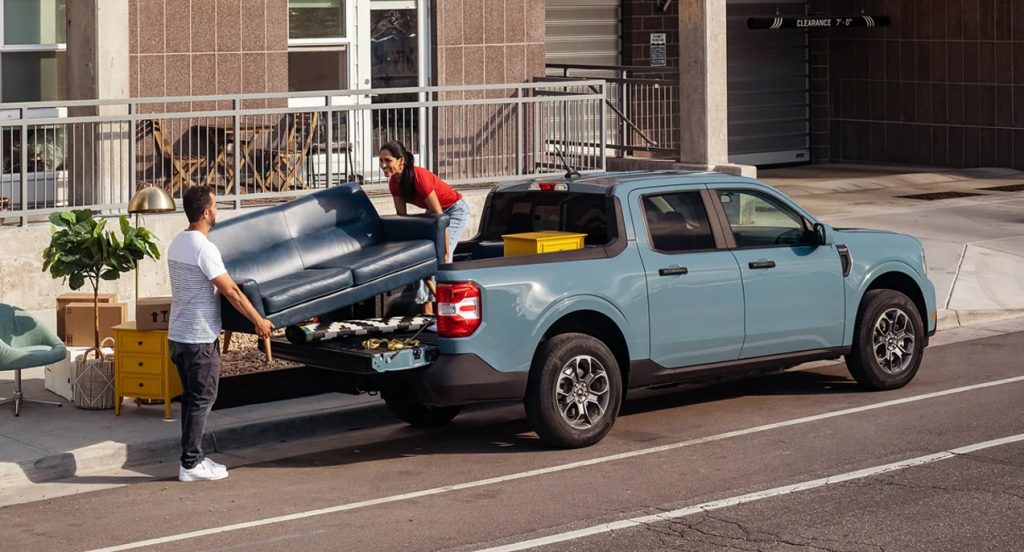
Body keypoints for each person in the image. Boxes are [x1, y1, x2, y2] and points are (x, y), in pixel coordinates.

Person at [167, 185, 274, 482]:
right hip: (198, 337)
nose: (217, 210)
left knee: (192, 399)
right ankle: (190, 464)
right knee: (203, 398)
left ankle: (194, 457)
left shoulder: (177, 242)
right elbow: (232, 292)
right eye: (215, 206)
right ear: (205, 212)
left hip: (178, 335)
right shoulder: (204, 248)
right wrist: (258, 320)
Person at [379, 141, 471, 315]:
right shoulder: (394, 183)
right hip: (434, 214)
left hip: (453, 210)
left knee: (441, 259)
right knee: (423, 257)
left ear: (401, 160)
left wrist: (444, 249)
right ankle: (427, 313)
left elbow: (441, 217)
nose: (383, 165)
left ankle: (449, 310)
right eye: (381, 161)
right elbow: (402, 218)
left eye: (388, 160)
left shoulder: (419, 177)